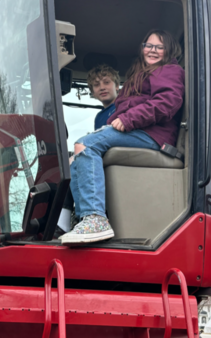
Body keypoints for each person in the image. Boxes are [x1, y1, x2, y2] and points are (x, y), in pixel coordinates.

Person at [59, 31, 185, 244]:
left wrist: (129, 119)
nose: (152, 50)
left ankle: (95, 218)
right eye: (148, 45)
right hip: (140, 131)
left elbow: (167, 103)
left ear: (169, 50)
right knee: (79, 152)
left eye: (159, 46)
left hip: (154, 135)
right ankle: (84, 220)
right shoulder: (139, 75)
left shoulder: (169, 70)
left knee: (86, 145)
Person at [55, 63, 122, 235]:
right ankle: (74, 219)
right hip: (103, 154)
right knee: (67, 164)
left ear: (117, 85)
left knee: (75, 159)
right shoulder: (100, 116)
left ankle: (67, 221)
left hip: (116, 154)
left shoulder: (122, 108)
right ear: (92, 91)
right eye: (96, 85)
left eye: (106, 82)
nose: (102, 88)